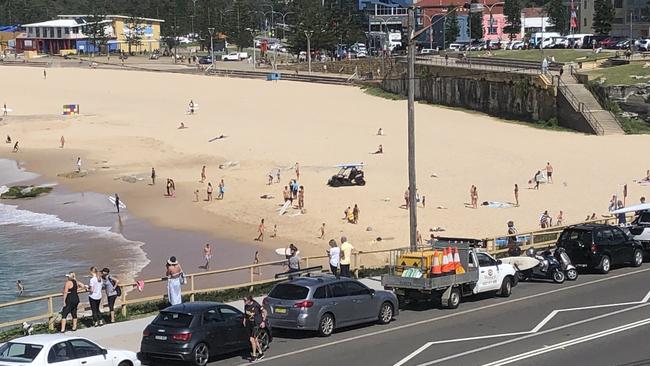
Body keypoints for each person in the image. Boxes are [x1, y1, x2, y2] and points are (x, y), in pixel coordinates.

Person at [243, 295, 267, 361]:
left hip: (256, 324)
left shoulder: (256, 305)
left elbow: (265, 312)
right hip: (249, 324)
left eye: (245, 300)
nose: (244, 302)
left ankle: (253, 355)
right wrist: (244, 320)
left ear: (249, 300)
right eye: (243, 300)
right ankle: (261, 353)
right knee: (255, 340)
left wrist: (263, 321)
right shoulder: (246, 306)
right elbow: (245, 314)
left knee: (252, 339)